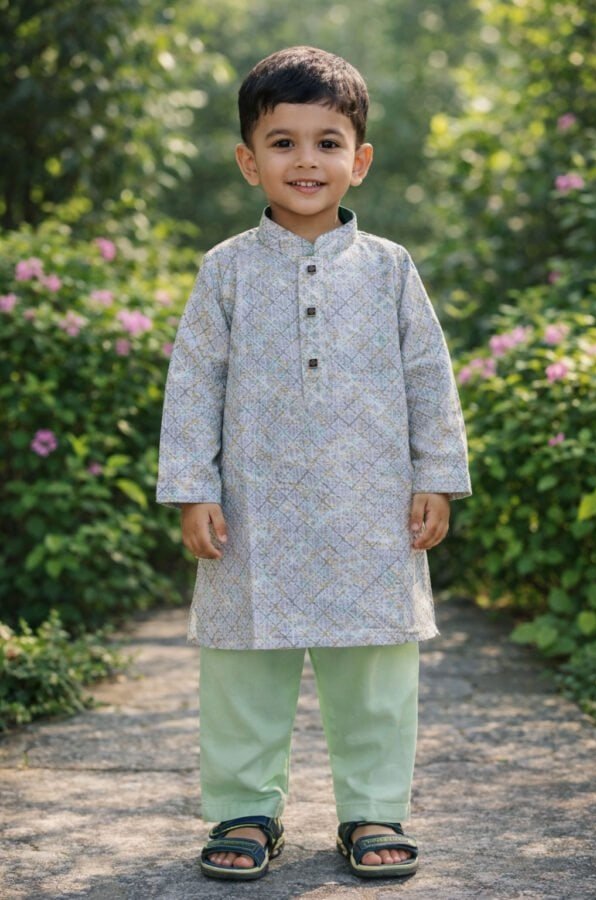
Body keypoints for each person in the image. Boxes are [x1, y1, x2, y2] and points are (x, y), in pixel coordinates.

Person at [156, 45, 471, 882]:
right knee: (243, 665)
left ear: (359, 160)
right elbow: (194, 380)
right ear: (247, 159)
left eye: (327, 142)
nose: (306, 160)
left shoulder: (391, 270)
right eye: (283, 142)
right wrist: (193, 487)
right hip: (252, 509)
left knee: (374, 664)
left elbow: (428, 378)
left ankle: (372, 808)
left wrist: (435, 475)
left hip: (369, 507)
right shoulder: (224, 271)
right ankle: (244, 809)